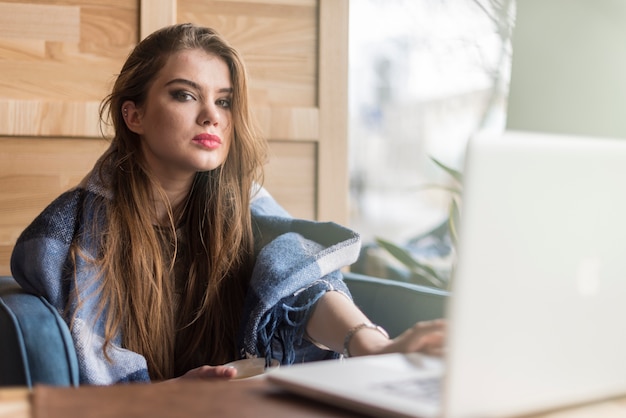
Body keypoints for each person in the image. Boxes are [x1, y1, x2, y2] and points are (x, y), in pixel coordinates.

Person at [10, 23, 444, 385]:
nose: (211, 116)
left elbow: (299, 285)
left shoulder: (245, 206)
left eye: (224, 100)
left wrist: (373, 345)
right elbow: (84, 362)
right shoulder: (73, 228)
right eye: (184, 94)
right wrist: (171, 395)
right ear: (134, 115)